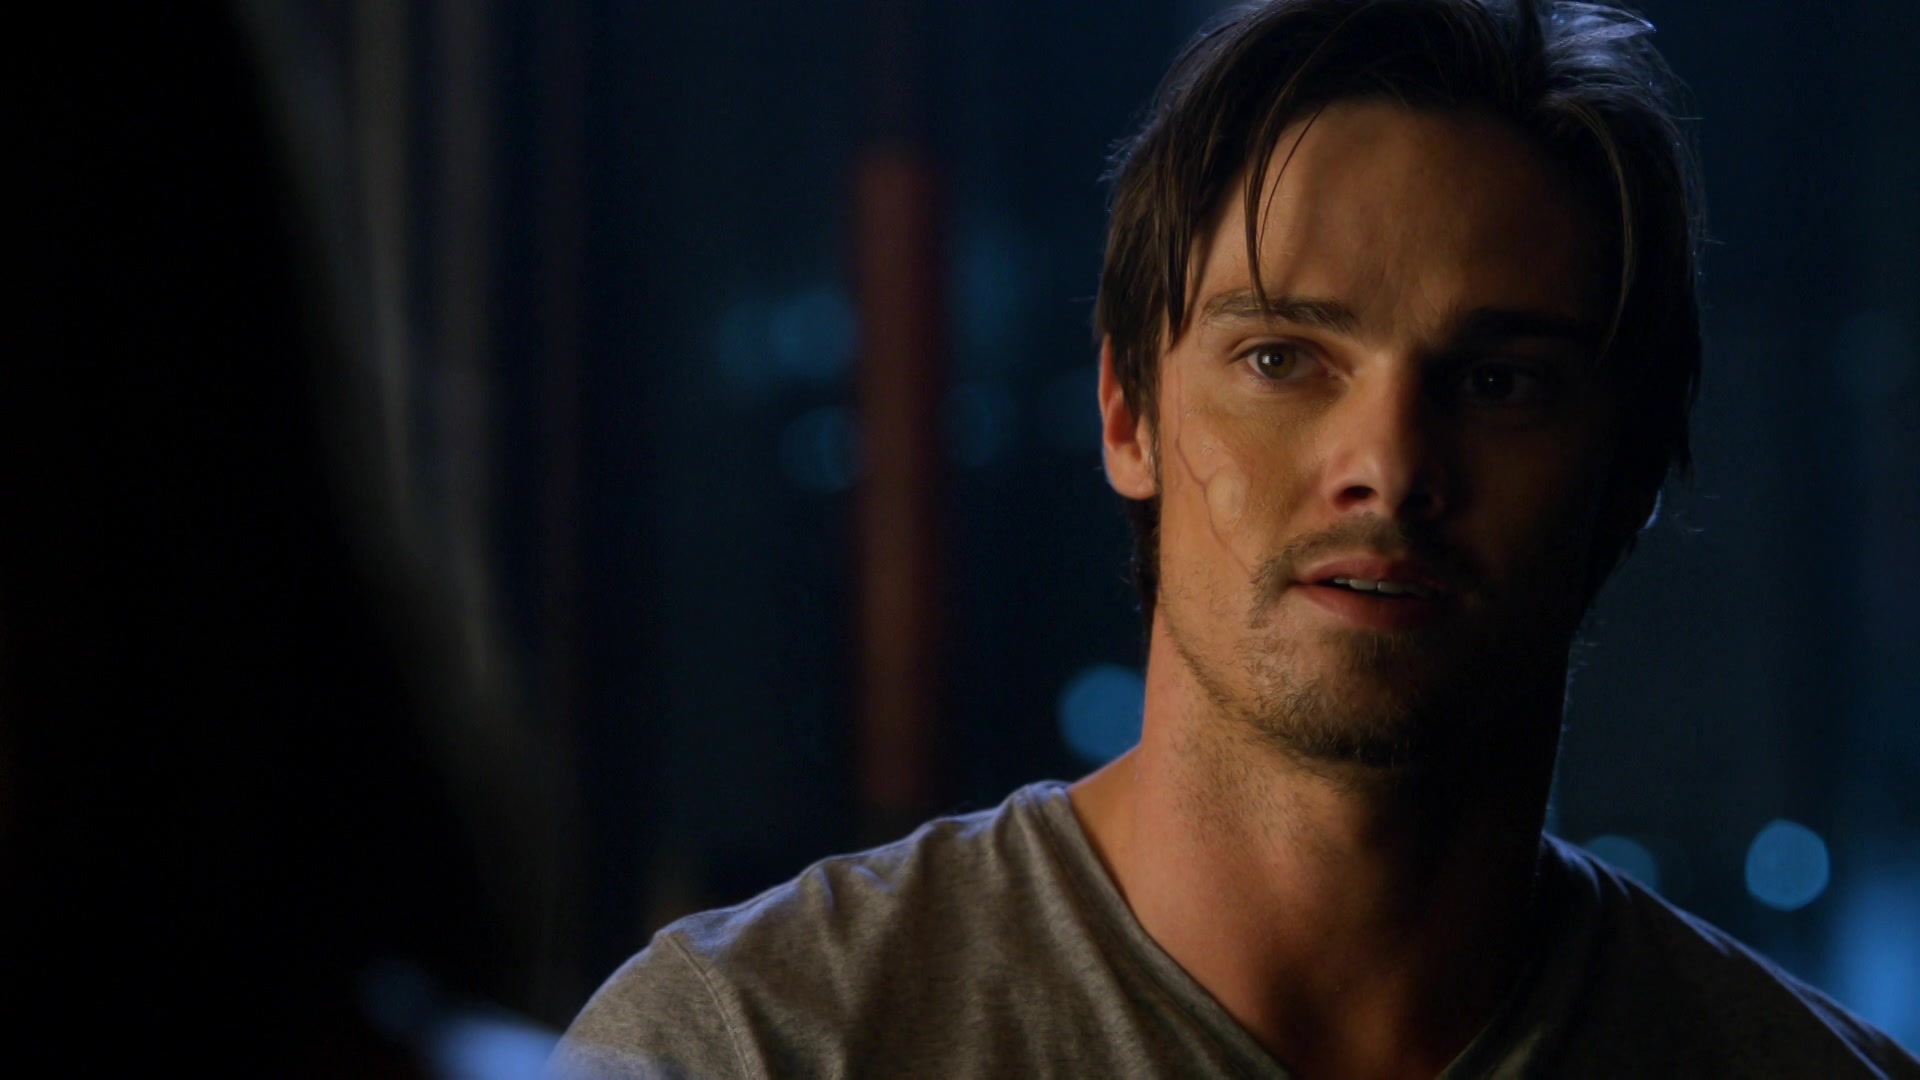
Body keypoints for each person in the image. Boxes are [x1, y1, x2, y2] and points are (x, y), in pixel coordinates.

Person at [548, 1, 1917, 1076]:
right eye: (1281, 358)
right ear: (1127, 413)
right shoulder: (756, 1046)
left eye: (1501, 382)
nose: (1388, 466)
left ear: (1633, 471)